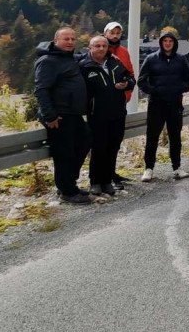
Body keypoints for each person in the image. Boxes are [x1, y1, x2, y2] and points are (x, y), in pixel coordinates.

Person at [34, 27, 92, 204]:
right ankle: (66, 190)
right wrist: (49, 116)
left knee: (85, 142)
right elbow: (41, 89)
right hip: (59, 115)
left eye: (73, 39)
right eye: (66, 39)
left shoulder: (69, 59)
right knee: (64, 153)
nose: (70, 42)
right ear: (56, 40)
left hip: (73, 114)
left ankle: (69, 184)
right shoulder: (47, 61)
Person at [80, 35, 134, 196]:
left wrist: (127, 84)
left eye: (104, 46)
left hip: (118, 113)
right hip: (97, 115)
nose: (102, 49)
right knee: (98, 148)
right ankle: (95, 181)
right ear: (90, 48)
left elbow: (130, 78)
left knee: (113, 147)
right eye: (97, 46)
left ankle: (108, 180)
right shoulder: (84, 66)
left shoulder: (115, 62)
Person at [138, 30, 189, 182]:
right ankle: (148, 169)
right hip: (156, 105)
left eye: (171, 41)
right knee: (152, 137)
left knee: (175, 138)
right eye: (165, 41)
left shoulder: (181, 59)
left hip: (175, 104)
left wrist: (180, 89)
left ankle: (177, 167)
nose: (168, 43)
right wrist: (154, 91)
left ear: (174, 43)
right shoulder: (151, 59)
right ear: (161, 43)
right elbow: (141, 81)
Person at [103, 20, 135, 187]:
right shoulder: (100, 48)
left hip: (119, 103)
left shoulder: (123, 51)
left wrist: (127, 93)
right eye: (112, 33)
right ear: (105, 34)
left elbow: (130, 74)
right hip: (101, 106)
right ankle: (102, 177)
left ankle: (112, 173)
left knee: (116, 140)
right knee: (103, 142)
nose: (115, 36)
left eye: (118, 33)